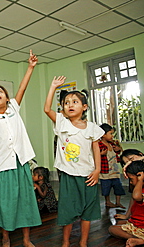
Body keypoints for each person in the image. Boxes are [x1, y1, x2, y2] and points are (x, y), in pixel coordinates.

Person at [0, 50, 41, 247]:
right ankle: (5, 237)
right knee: (6, 203)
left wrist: (30, 67)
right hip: (1, 165)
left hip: (21, 161)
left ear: (7, 97)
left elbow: (22, 89)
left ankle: (25, 239)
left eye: (0, 92)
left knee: (25, 201)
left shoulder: (14, 109)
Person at [44, 76, 104, 247]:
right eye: (66, 102)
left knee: (88, 211)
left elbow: (96, 149)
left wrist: (97, 170)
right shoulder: (62, 123)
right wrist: (53, 87)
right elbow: (47, 108)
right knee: (68, 211)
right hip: (69, 175)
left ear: (84, 107)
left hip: (89, 175)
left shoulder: (92, 127)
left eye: (75, 101)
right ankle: (65, 242)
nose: (70, 105)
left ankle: (83, 242)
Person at [108, 160, 144, 246]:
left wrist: (140, 181)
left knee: (112, 229)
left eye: (131, 179)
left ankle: (140, 239)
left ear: (141, 177)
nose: (130, 182)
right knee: (119, 223)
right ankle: (143, 237)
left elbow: (136, 197)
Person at [115, 149, 144, 220]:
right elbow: (134, 196)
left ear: (140, 154)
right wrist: (127, 215)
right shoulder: (136, 176)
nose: (130, 163)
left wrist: (132, 162)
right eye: (126, 163)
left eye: (131, 159)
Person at [98, 123, 126, 208]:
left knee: (118, 186)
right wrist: (101, 154)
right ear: (103, 135)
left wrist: (119, 149)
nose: (112, 136)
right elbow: (94, 156)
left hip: (115, 171)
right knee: (106, 187)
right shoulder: (99, 145)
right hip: (105, 172)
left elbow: (119, 152)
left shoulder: (112, 144)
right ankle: (108, 202)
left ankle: (118, 202)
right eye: (110, 133)